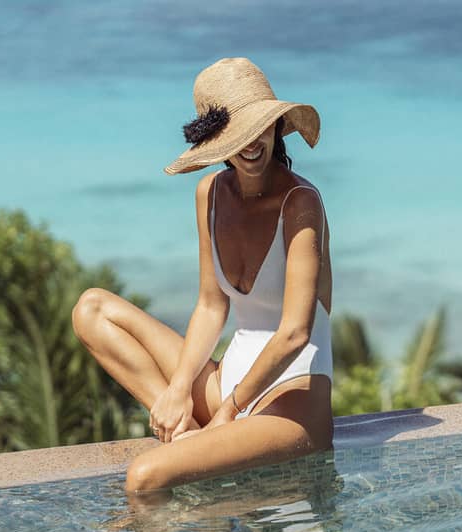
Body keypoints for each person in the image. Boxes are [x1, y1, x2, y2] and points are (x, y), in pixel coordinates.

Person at [71, 57, 333, 494]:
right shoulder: (209, 194)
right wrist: (176, 390)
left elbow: (294, 333)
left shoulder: (301, 203)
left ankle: (192, 456)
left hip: (288, 405)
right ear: (218, 142)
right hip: (224, 386)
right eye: (236, 135)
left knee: (145, 478)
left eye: (259, 128)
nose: (250, 144)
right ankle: (186, 432)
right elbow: (212, 305)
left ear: (276, 126)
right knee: (92, 309)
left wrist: (229, 411)